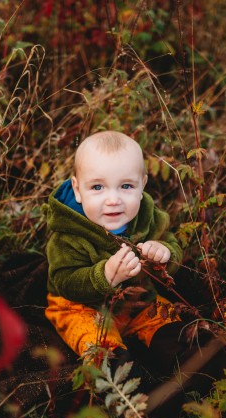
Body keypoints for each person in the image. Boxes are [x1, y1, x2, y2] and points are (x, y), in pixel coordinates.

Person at [42, 130, 183, 360]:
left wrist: (165, 254)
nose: (113, 200)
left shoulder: (148, 217)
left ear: (142, 186)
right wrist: (105, 275)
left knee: (170, 327)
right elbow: (65, 281)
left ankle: (187, 361)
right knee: (99, 346)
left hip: (138, 302)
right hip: (82, 307)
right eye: (98, 187)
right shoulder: (68, 232)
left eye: (126, 186)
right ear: (78, 190)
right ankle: (118, 375)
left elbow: (171, 242)